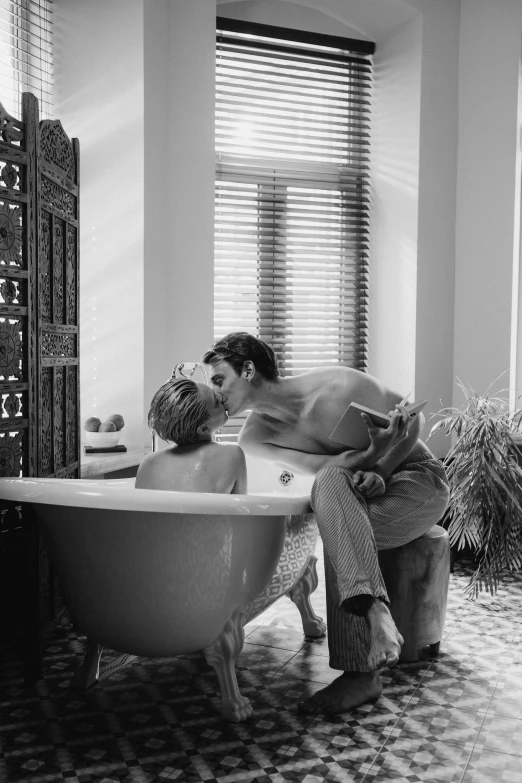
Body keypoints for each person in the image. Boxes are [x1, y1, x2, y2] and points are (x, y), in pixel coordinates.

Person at [202, 332, 449, 714]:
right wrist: (370, 453)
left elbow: (411, 421)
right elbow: (327, 470)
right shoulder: (254, 437)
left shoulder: (337, 386)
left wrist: (382, 466)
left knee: (338, 520)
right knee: (331, 489)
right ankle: (375, 614)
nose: (214, 392)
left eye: (218, 380)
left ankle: (360, 675)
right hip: (353, 494)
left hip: (417, 479)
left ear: (248, 369)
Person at [136, 377, 247, 494]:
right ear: (203, 428)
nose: (220, 397)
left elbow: (140, 511)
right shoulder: (233, 454)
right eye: (215, 402)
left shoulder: (148, 463)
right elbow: (241, 508)